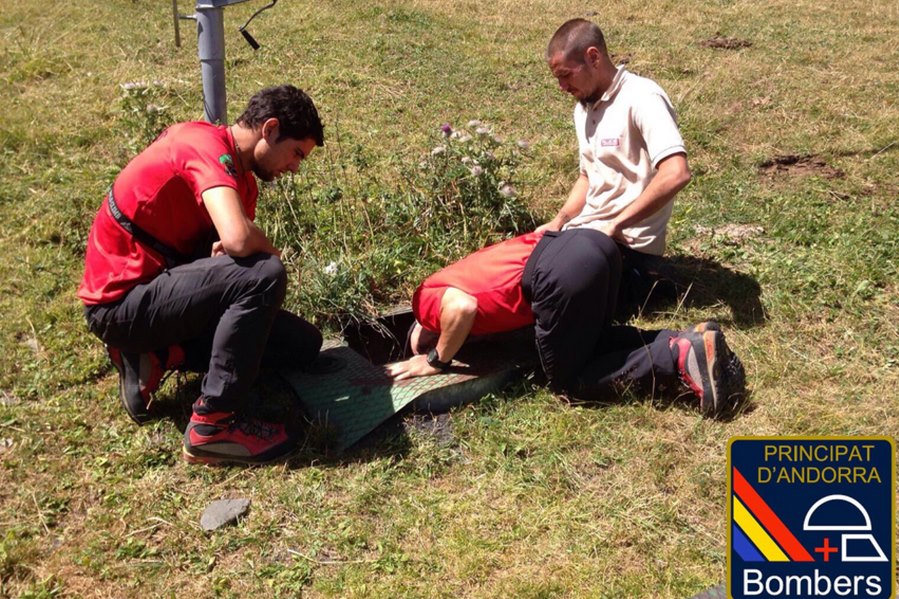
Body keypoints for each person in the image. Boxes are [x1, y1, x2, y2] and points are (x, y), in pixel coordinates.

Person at [388, 20, 746, 415]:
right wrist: (558, 221)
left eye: (564, 75)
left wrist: (614, 226)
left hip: (625, 251)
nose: (561, 87)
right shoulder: (585, 108)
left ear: (593, 57)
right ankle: (683, 345)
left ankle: (675, 356)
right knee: (570, 338)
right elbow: (587, 177)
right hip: (579, 242)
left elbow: (676, 173)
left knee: (564, 370)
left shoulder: (642, 97)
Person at [78, 84, 325, 465]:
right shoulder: (204, 145)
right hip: (119, 304)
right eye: (296, 154)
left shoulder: (243, 185)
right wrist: (264, 248)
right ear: (270, 129)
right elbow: (241, 241)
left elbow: (227, 259)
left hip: (162, 291)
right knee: (265, 273)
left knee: (303, 344)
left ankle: (161, 352)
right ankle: (213, 426)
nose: (294, 167)